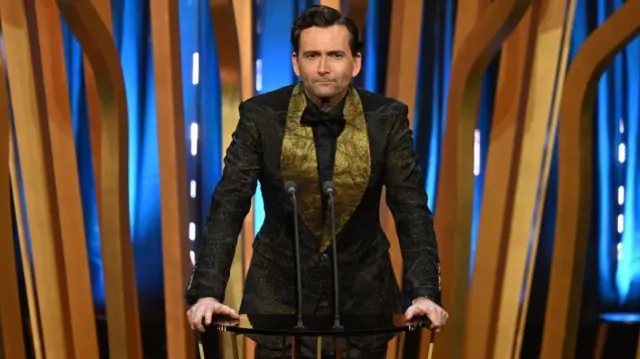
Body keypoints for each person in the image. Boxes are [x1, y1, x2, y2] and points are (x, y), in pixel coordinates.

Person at [185, 5, 448, 358]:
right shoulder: (260, 116)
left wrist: (425, 293)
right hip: (278, 301)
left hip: (363, 299)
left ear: (355, 63)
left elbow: (411, 209)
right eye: (312, 55)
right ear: (297, 62)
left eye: (335, 55)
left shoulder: (387, 118)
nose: (323, 67)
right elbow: (228, 204)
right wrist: (207, 291)